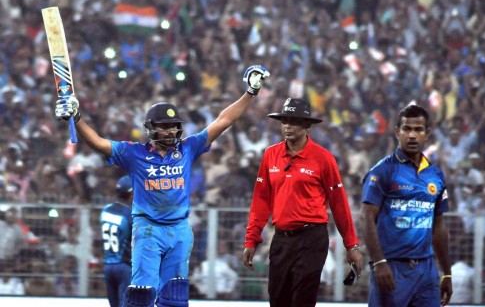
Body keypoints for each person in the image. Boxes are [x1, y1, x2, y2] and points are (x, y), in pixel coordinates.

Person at [54, 65, 270, 307]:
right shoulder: (133, 153)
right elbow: (98, 143)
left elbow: (224, 120)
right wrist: (77, 118)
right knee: (142, 294)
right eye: (164, 126)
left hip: (179, 229)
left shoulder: (188, 148)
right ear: (151, 128)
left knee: (175, 297)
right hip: (148, 230)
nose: (170, 131)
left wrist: (251, 91)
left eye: (174, 126)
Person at [242, 98, 363, 307]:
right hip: (280, 240)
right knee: (278, 300)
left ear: (307, 125)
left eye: (294, 121)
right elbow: (261, 200)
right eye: (284, 121)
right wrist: (251, 239)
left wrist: (351, 245)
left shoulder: (324, 159)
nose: (287, 126)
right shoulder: (270, 155)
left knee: (303, 301)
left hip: (311, 239)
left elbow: (339, 203)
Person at [361, 104, 453, 307]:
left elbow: (438, 224)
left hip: (427, 271)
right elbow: (366, 218)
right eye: (407, 129)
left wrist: (446, 272)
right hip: (392, 267)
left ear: (427, 134)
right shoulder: (383, 171)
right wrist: (379, 262)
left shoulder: (435, 175)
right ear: (397, 132)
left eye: (418, 129)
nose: (412, 135)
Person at [100, 175, 133, 307]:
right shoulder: (130, 214)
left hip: (108, 266)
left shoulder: (105, 210)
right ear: (131, 194)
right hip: (124, 266)